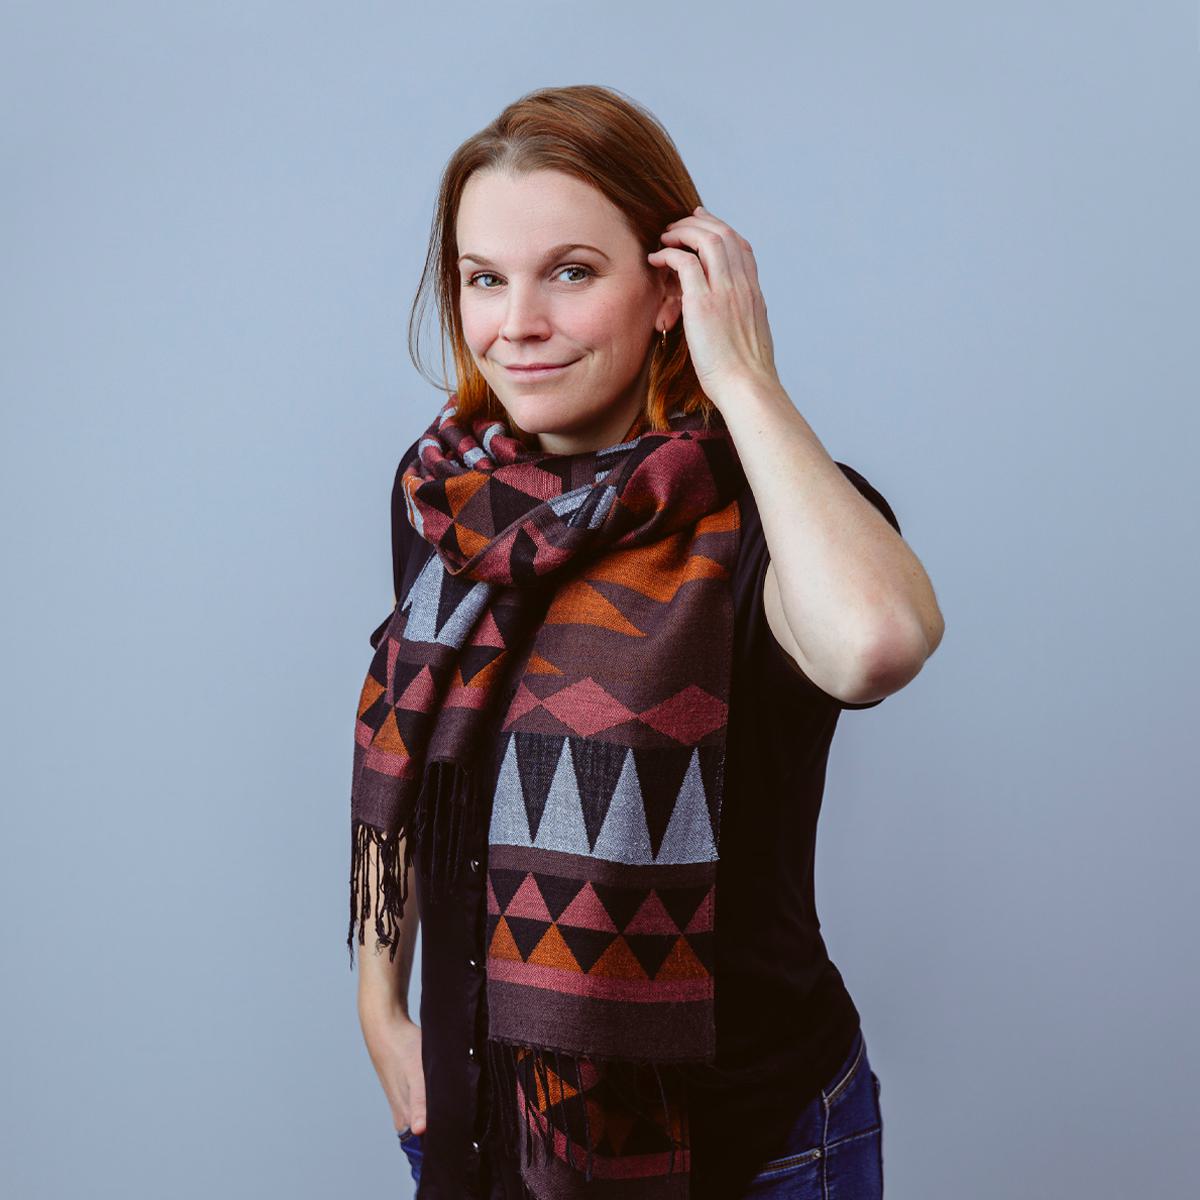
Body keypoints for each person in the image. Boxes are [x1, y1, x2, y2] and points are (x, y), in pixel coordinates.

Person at [348, 84, 944, 1200]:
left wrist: (746, 378)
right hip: (483, 1133)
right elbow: (421, 760)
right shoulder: (445, 496)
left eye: (571, 272)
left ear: (670, 290)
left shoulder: (767, 511)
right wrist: (381, 1005)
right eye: (485, 278)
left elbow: (879, 642)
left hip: (751, 1150)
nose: (518, 324)